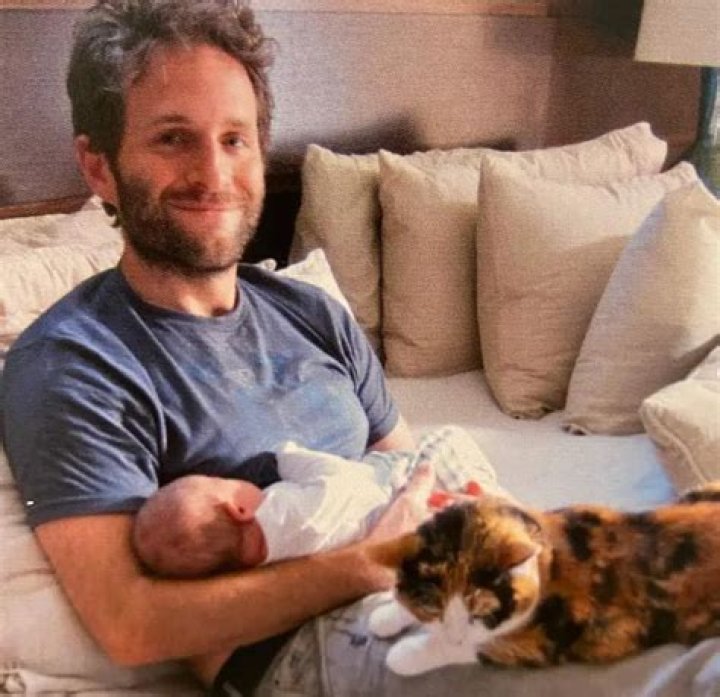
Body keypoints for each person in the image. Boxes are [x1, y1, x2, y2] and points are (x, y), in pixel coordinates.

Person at [0, 0, 433, 693]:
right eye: (173, 138)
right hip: (325, 658)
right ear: (99, 166)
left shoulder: (315, 313)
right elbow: (129, 622)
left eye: (235, 139)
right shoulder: (74, 365)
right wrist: (370, 564)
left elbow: (414, 475)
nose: (213, 174)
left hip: (448, 592)